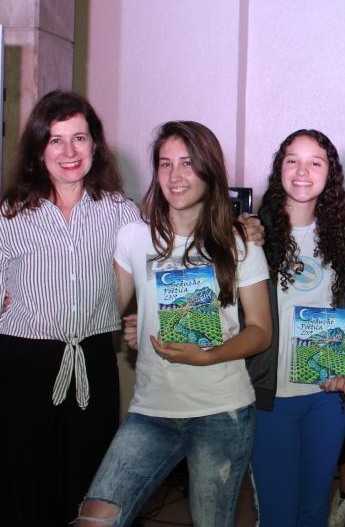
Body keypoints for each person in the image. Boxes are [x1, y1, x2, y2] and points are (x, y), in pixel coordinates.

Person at [0, 90, 140, 526]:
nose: (69, 152)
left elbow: (168, 259)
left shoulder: (121, 213)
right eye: (56, 140)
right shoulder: (6, 217)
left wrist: (245, 228)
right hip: (19, 371)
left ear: (95, 144)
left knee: (88, 498)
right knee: (21, 499)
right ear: (40, 150)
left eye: (79, 138)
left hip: (93, 367)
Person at [76, 121, 271, 526]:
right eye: (165, 164)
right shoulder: (133, 237)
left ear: (208, 170)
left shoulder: (238, 244)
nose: (175, 176)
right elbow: (102, 308)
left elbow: (260, 331)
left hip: (222, 411)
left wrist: (207, 356)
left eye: (186, 163)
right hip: (151, 410)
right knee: (96, 517)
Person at [244, 129, 345, 526]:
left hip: (327, 394)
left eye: (316, 162)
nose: (302, 171)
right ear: (280, 168)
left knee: (314, 510)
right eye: (292, 160)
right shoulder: (252, 234)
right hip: (271, 396)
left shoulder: (344, 235)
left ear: (330, 173)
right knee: (277, 513)